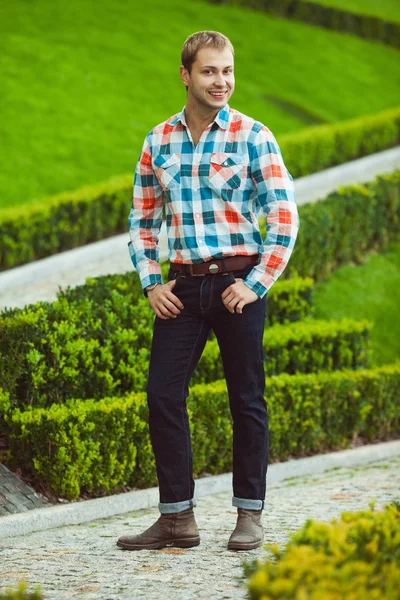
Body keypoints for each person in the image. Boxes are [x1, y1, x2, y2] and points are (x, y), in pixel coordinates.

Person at [117, 30, 300, 552]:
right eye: (210, 71)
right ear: (185, 75)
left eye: (227, 71)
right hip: (183, 287)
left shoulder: (253, 135)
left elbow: (283, 217)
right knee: (161, 395)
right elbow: (143, 220)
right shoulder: (159, 141)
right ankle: (177, 519)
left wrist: (256, 283)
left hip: (238, 284)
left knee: (246, 400)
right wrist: (152, 283)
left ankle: (249, 516)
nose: (222, 82)